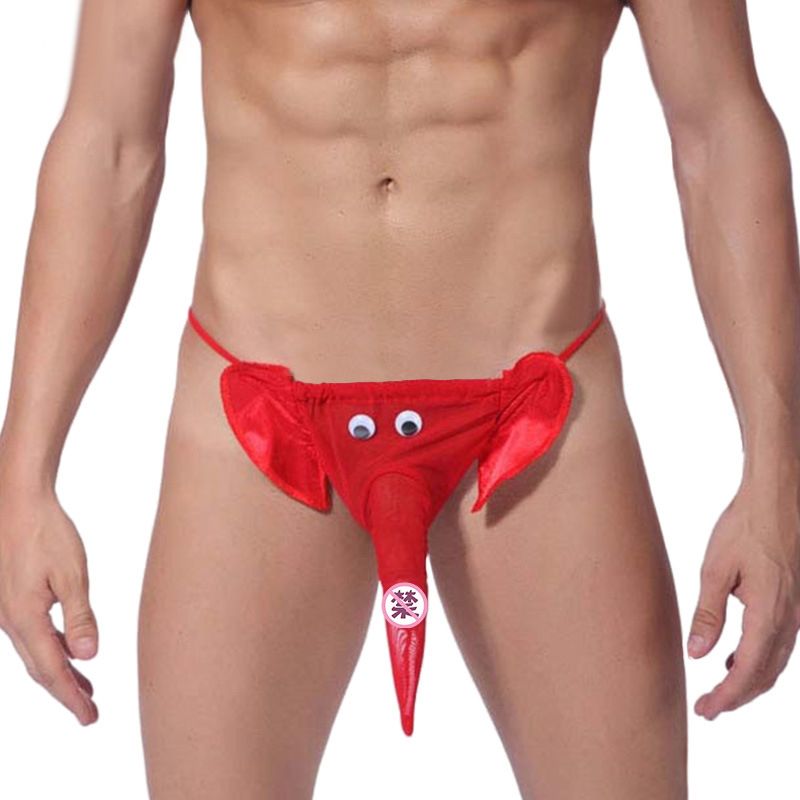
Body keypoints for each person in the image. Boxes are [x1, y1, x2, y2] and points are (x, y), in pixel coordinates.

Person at [0, 0, 798, 797]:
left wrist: (778, 478)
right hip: (260, 408)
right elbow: (109, 141)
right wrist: (21, 479)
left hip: (537, 409)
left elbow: (719, 132)